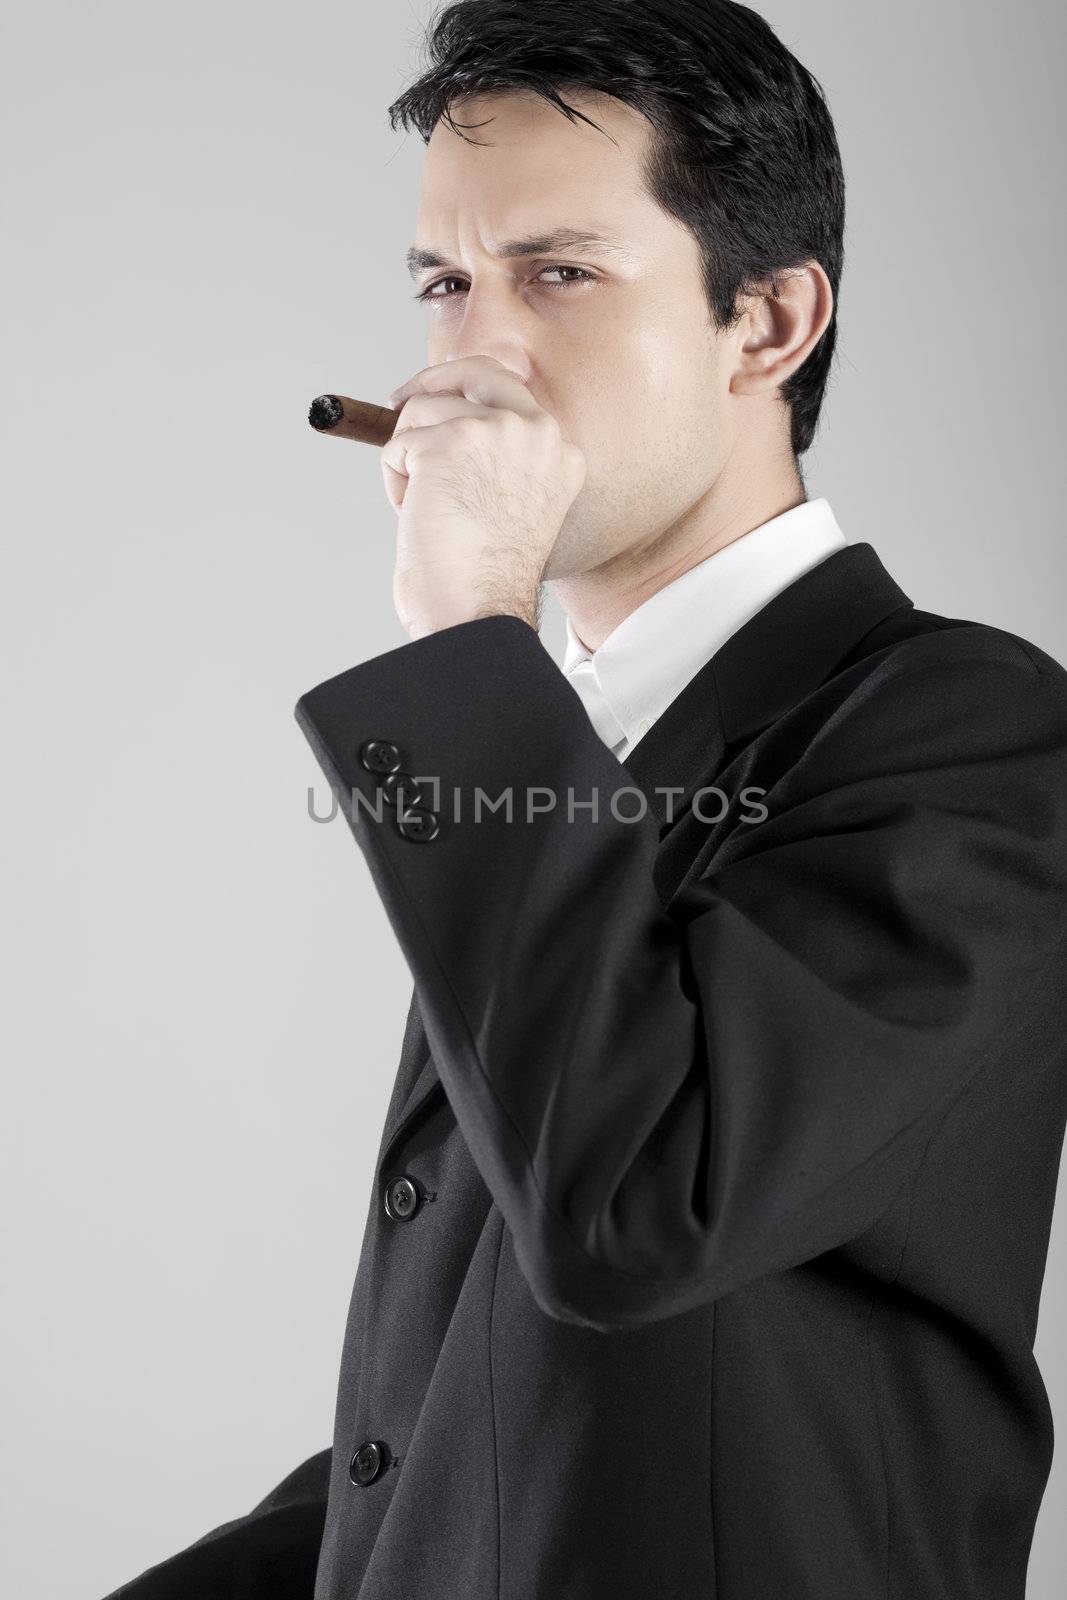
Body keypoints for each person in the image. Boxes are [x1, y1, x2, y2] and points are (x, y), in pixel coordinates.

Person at [104, 3, 1067, 1597]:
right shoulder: (574, 747)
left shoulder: (975, 737)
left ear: (766, 323)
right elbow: (473, 1421)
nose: (472, 351)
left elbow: (633, 1208)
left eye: (557, 273)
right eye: (444, 286)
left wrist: (478, 626)